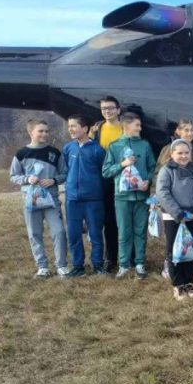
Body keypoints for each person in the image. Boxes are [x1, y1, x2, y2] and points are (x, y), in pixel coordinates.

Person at [9, 118, 69, 278]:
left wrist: (54, 180)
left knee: (59, 232)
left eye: (46, 131)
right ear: (31, 132)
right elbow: (13, 176)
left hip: (51, 200)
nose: (44, 134)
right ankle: (42, 267)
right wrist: (27, 179)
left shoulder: (55, 153)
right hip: (31, 201)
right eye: (40, 131)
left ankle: (62, 266)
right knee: (34, 233)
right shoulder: (21, 154)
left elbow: (64, 173)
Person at [101, 112, 156, 278]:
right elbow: (106, 171)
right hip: (122, 197)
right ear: (126, 126)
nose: (140, 128)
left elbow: (153, 167)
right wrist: (122, 164)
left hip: (141, 196)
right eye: (137, 126)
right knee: (124, 232)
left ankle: (140, 264)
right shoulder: (115, 146)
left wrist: (148, 181)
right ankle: (123, 265)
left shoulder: (145, 145)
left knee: (140, 231)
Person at [155, 139, 193, 300]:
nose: (183, 156)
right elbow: (163, 192)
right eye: (179, 153)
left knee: (190, 249)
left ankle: (189, 282)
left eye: (186, 152)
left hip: (192, 216)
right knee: (175, 250)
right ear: (172, 154)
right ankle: (178, 285)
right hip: (173, 217)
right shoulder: (167, 170)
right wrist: (178, 213)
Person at [61, 115, 106, 277]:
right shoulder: (68, 148)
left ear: (85, 128)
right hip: (72, 199)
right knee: (73, 234)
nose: (71, 129)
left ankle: (98, 265)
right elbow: (66, 170)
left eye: (74, 126)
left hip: (93, 200)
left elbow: (104, 174)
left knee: (95, 234)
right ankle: (78, 266)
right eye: (69, 127)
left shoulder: (97, 150)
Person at [93, 96, 123, 271]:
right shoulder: (98, 129)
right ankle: (111, 257)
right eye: (104, 108)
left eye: (111, 108)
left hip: (124, 179)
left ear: (118, 110)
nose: (107, 111)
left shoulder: (125, 127)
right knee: (109, 220)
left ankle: (130, 257)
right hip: (105, 180)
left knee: (125, 220)